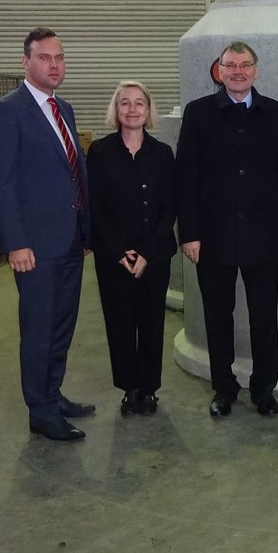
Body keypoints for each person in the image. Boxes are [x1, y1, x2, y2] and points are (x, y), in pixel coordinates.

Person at [175, 41, 278, 418]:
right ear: (220, 71)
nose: (238, 71)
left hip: (263, 236)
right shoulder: (198, 114)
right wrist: (190, 233)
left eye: (245, 65)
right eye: (231, 65)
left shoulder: (276, 113)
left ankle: (263, 389)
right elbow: (186, 178)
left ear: (256, 71)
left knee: (264, 317)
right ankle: (223, 388)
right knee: (217, 316)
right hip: (213, 237)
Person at [0, 27, 94, 442]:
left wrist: (84, 232)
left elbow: (72, 174)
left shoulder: (62, 107)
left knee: (62, 323)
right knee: (38, 327)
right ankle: (40, 410)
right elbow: (2, 182)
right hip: (34, 246)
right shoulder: (7, 111)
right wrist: (15, 242)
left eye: (59, 58)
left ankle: (53, 393)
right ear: (25, 62)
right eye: (45, 57)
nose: (54, 65)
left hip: (68, 241)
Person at [86, 81, 177, 417]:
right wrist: (119, 251)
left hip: (155, 256)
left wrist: (148, 253)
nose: (133, 109)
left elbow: (171, 206)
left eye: (140, 103)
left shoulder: (163, 153)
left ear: (148, 110)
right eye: (125, 103)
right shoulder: (99, 151)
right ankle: (130, 389)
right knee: (120, 323)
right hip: (114, 259)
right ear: (116, 110)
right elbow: (94, 206)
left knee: (152, 322)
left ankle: (150, 389)